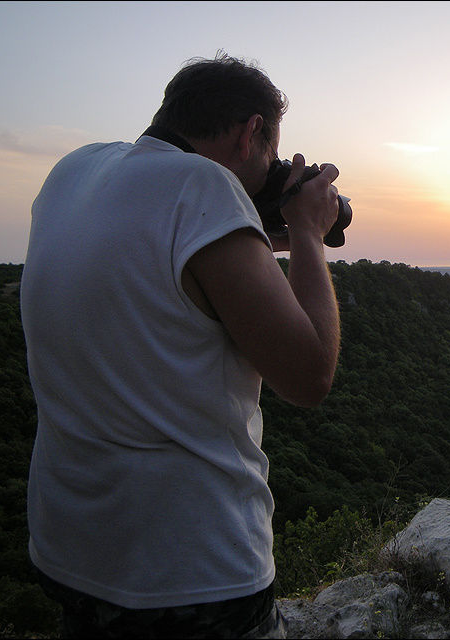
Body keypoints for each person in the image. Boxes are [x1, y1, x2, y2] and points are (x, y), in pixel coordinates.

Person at [20, 52, 342, 638]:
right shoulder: (205, 187)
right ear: (252, 133)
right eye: (271, 150)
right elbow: (309, 374)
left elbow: (165, 274)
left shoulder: (74, 171)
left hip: (70, 550)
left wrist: (254, 231)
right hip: (189, 571)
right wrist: (307, 233)